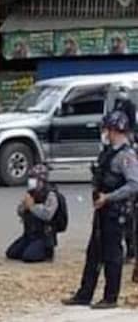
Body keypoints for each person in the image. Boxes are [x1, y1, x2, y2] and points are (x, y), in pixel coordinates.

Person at [62, 110, 138, 309]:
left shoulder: (126, 156)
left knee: (112, 255)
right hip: (103, 209)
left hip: (116, 211)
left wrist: (109, 197)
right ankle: (85, 293)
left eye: (108, 129)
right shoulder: (108, 152)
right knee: (94, 252)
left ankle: (110, 297)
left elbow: (133, 185)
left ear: (116, 130)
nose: (105, 133)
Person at [6, 164, 59, 263]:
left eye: (34, 179)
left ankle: (47, 252)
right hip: (29, 234)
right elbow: (20, 211)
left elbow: (47, 215)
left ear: (41, 181)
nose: (31, 182)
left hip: (43, 237)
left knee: (29, 257)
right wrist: (24, 207)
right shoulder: (31, 193)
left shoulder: (50, 195)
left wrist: (32, 207)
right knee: (11, 253)